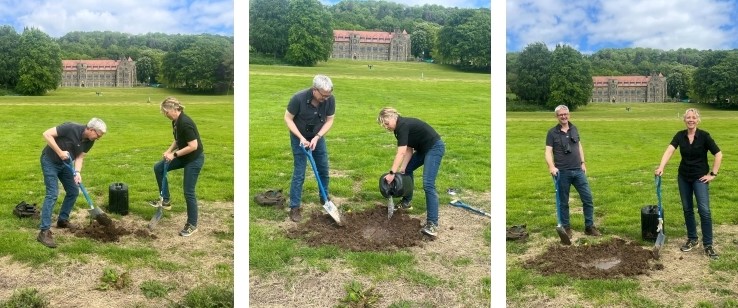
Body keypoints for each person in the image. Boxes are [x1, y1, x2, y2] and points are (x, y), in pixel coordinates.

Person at [655, 108, 722, 260]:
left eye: (693, 118)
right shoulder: (680, 135)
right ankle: (692, 239)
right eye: (688, 118)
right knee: (687, 209)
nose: (691, 120)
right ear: (684, 120)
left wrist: (713, 174)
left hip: (700, 178)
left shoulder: (704, 136)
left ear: (697, 120)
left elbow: (718, 154)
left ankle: (708, 245)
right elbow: (669, 151)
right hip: (684, 177)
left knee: (704, 211)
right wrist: (661, 167)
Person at [38, 118, 107, 248]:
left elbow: (80, 157)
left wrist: (77, 172)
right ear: (91, 129)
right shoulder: (70, 127)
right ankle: (44, 231)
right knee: (52, 193)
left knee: (73, 191)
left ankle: (62, 220)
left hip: (65, 165)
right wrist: (59, 152)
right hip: (50, 161)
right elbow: (46, 134)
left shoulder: (89, 141)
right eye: (98, 135)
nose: (98, 138)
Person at [377, 107, 445, 237]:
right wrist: (403, 167)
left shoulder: (403, 126)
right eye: (384, 125)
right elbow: (408, 149)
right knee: (406, 170)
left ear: (393, 117)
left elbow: (401, 152)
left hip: (434, 148)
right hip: (423, 150)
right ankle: (406, 202)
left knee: (428, 184)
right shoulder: (399, 129)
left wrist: (392, 173)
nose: (386, 127)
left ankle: (432, 224)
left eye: (386, 123)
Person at [284, 75, 336, 222]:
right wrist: (301, 138)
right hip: (298, 136)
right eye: (323, 95)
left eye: (328, 95)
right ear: (315, 90)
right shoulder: (298, 98)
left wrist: (317, 137)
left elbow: (330, 120)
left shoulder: (330, 99)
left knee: (324, 169)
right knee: (299, 172)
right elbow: (288, 118)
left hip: (317, 137)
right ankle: (295, 207)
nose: (326, 98)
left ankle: (324, 198)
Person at [544, 105, 601, 238]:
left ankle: (589, 227)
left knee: (588, 199)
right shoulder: (552, 133)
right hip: (562, 172)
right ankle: (566, 227)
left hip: (578, 171)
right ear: (557, 117)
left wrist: (583, 162)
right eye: (560, 115)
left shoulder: (574, 128)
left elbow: (579, 146)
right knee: (563, 202)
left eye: (566, 114)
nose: (564, 116)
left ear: (569, 114)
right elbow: (548, 152)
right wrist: (551, 167)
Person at [151, 97, 205, 237]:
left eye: (166, 112)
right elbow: (178, 140)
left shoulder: (185, 123)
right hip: (184, 156)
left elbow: (193, 146)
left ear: (175, 109)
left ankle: (192, 224)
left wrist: (174, 155)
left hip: (194, 159)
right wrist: (169, 151)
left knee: (188, 191)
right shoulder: (176, 121)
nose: (165, 115)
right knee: (159, 168)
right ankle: (166, 200)